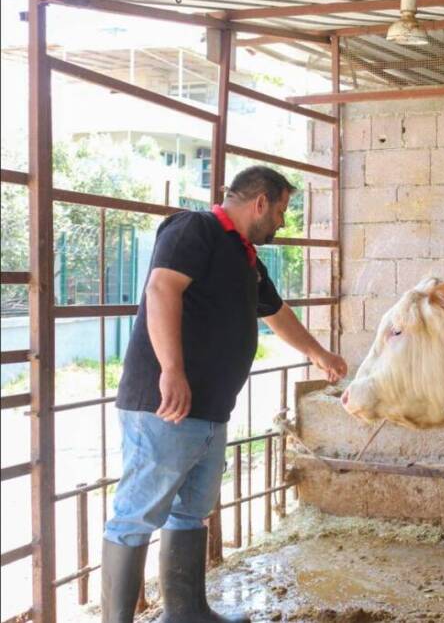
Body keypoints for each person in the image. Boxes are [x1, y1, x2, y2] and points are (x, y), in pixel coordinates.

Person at [101, 166, 347, 623]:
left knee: (190, 514)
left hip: (210, 411)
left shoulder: (245, 257)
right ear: (259, 203)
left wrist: (319, 354)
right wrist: (171, 369)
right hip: (165, 406)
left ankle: (187, 612)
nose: (281, 221)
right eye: (280, 211)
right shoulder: (195, 229)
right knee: (136, 515)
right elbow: (160, 287)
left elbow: (275, 313)